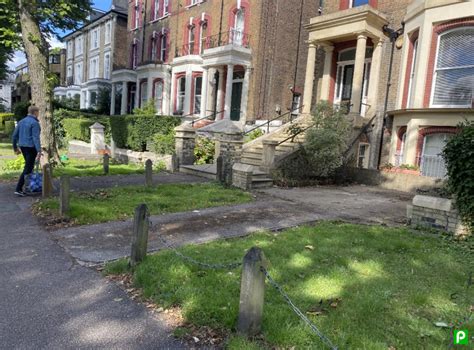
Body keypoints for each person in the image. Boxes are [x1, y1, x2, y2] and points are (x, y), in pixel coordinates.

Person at [12, 106, 42, 197]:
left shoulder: (21, 121)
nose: (38, 114)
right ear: (35, 112)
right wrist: (39, 151)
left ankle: (29, 186)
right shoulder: (34, 123)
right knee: (28, 168)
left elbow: (14, 136)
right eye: (38, 112)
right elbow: (35, 138)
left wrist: (15, 148)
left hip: (23, 147)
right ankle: (18, 188)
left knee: (29, 167)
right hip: (31, 148)